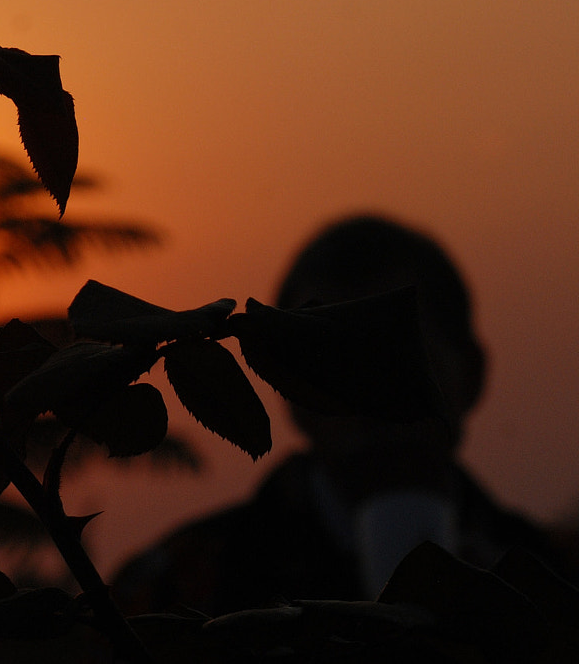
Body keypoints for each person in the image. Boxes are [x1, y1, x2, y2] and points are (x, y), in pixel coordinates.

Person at [112, 214, 563, 615]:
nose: (369, 396)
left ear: (472, 373)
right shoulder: (178, 596)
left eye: (401, 357)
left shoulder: (554, 584)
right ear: (284, 383)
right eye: (334, 365)